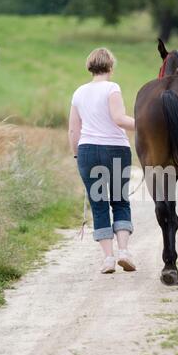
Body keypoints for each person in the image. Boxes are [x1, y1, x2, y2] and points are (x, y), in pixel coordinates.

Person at [68, 47, 136, 274]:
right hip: (115, 149)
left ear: (90, 66)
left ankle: (108, 259)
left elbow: (72, 130)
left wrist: (77, 154)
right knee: (120, 200)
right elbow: (119, 119)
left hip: (87, 151)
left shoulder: (78, 93)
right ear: (110, 66)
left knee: (98, 204)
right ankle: (124, 252)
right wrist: (146, 124)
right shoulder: (112, 88)